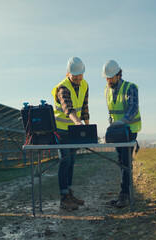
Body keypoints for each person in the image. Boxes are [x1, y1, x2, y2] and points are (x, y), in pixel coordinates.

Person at [51, 57, 89, 210]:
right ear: (68, 74)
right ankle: (63, 198)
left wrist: (86, 126)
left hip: (74, 129)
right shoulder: (63, 88)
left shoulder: (84, 84)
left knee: (72, 160)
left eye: (80, 74)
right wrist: (77, 122)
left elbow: (85, 107)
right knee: (65, 160)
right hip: (61, 129)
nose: (78, 78)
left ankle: (69, 193)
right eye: (75, 75)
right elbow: (68, 109)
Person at [103, 60, 142, 207]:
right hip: (118, 132)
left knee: (126, 163)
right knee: (121, 162)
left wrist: (123, 121)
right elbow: (111, 111)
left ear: (119, 75)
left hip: (129, 130)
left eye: (111, 78)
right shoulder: (107, 89)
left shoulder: (130, 87)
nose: (108, 80)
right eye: (106, 78)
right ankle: (124, 193)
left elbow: (133, 108)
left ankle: (125, 196)